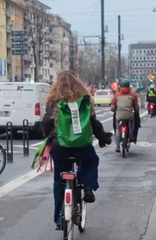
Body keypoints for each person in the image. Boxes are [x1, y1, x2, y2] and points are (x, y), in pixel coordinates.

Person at [40, 71, 109, 230]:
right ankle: (88, 187)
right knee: (91, 160)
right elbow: (94, 124)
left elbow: (45, 125)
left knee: (59, 181)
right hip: (82, 147)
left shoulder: (54, 102)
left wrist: (48, 135)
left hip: (60, 148)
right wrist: (103, 138)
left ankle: (59, 219)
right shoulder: (84, 101)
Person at [110, 79, 140, 149]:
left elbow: (113, 107)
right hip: (129, 115)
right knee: (132, 121)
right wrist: (136, 110)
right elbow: (136, 107)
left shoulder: (117, 95)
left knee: (117, 128)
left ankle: (117, 145)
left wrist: (114, 109)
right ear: (129, 87)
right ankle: (131, 134)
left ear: (120, 87)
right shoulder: (133, 95)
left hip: (119, 116)